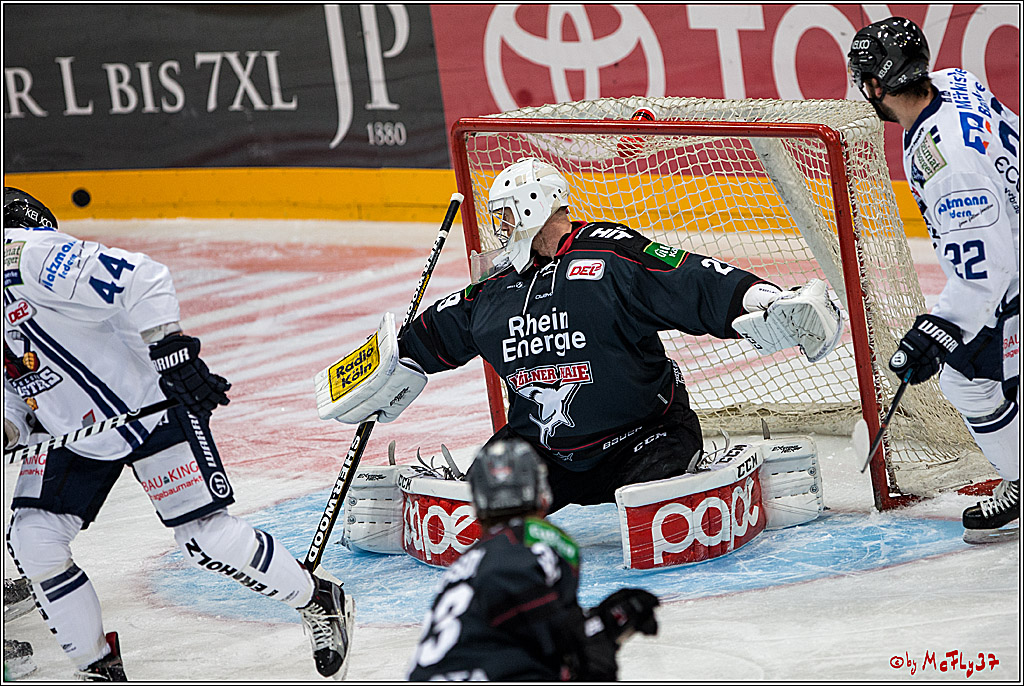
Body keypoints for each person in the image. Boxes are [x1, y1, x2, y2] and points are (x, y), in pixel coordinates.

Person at [318, 157, 842, 514]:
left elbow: (688, 278)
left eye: (506, 215)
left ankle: (714, 472)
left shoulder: (608, 254)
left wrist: (764, 302)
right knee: (471, 517)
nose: (499, 228)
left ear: (533, 208)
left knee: (657, 513)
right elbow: (434, 332)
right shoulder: (495, 292)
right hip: (544, 453)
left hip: (644, 439)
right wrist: (385, 367)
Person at [3, 188, 354, 680]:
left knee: (206, 540)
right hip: (72, 428)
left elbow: (143, 278)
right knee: (34, 541)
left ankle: (315, 597)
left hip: (150, 405)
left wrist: (173, 351)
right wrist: (9, 424)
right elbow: (14, 379)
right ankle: (97, 668)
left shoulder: (25, 256)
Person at [848, 17, 1019, 543]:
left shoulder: (949, 167)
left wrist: (936, 330)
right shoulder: (957, 80)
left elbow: (989, 272)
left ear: (875, 86)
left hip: (1010, 268)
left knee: (963, 378)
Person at [406, 438, 659, 680]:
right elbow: (570, 652)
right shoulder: (538, 542)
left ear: (478, 504)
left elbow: (518, 624)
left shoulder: (465, 563)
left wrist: (603, 622)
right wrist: (593, 641)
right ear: (542, 494)